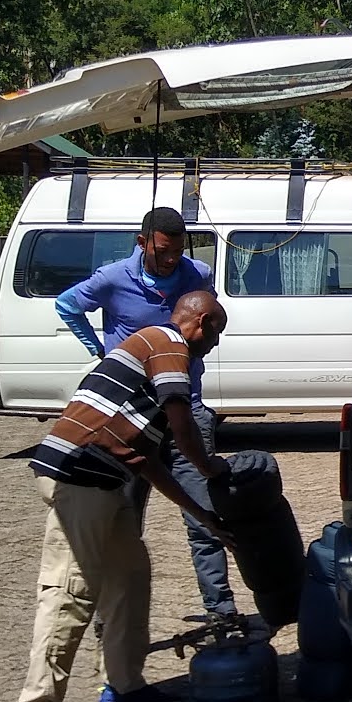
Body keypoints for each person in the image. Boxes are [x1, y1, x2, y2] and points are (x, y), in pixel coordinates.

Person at [4, 292, 230, 702]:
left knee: (129, 576)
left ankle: (124, 686)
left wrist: (201, 514)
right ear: (202, 322)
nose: (215, 344)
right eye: (217, 333)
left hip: (108, 482)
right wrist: (210, 468)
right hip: (78, 476)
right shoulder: (167, 344)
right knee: (71, 588)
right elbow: (183, 423)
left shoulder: (148, 369)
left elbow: (148, 461)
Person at [56, 207, 234, 621]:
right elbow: (67, 305)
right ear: (142, 243)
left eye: (177, 251)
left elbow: (207, 317)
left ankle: (221, 609)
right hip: (132, 416)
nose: (171, 259)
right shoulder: (112, 278)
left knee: (203, 512)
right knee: (124, 516)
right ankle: (109, 617)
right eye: (162, 251)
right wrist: (100, 351)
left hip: (185, 406)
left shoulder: (197, 275)